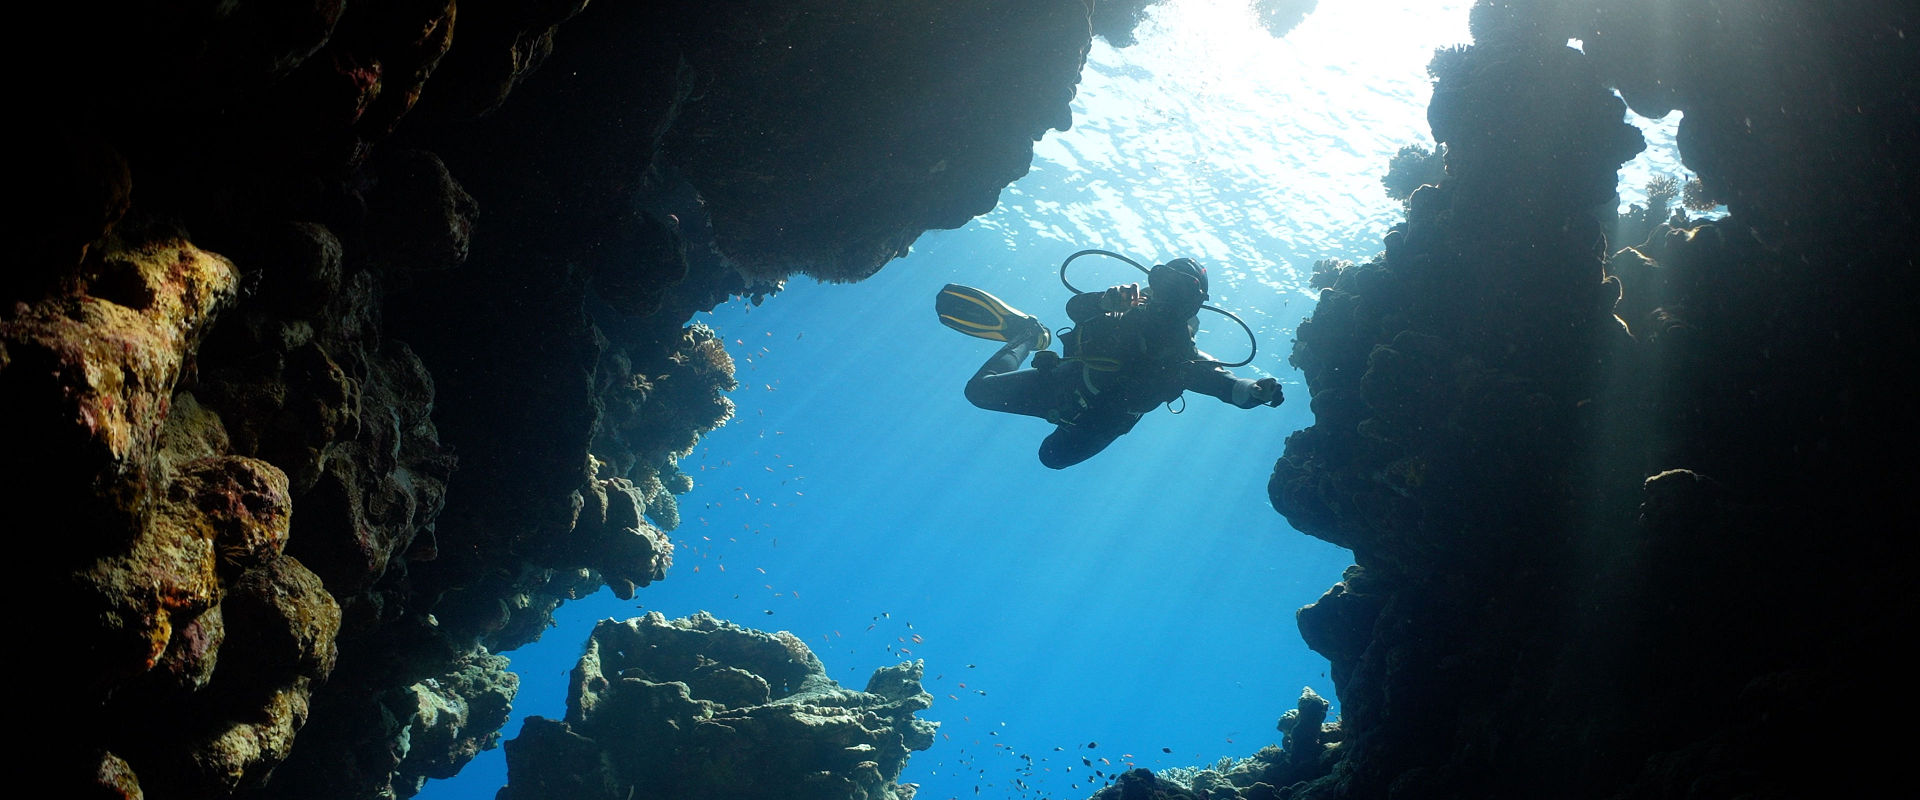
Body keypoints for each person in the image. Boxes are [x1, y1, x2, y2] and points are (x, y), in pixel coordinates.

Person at [955, 258, 1282, 468]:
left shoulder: (1183, 355)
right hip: (1067, 382)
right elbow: (1075, 309)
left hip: (1102, 421)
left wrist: (1254, 390)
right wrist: (1103, 301)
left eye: (1182, 289)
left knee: (1052, 457)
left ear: (1195, 302)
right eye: (1165, 281)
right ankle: (1029, 334)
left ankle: (1031, 337)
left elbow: (1223, 383)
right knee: (977, 392)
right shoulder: (1124, 308)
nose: (1169, 294)